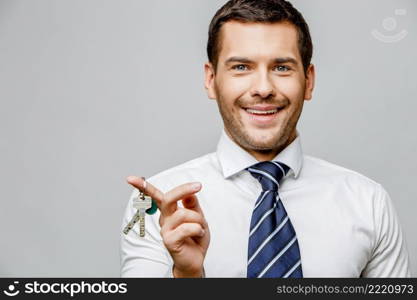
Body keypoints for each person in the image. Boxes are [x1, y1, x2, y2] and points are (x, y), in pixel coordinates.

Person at [120, 0, 411, 278]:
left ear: (308, 81)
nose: (263, 88)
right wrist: (186, 277)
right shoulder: (157, 205)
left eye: (282, 67)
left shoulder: (368, 203)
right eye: (241, 67)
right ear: (211, 80)